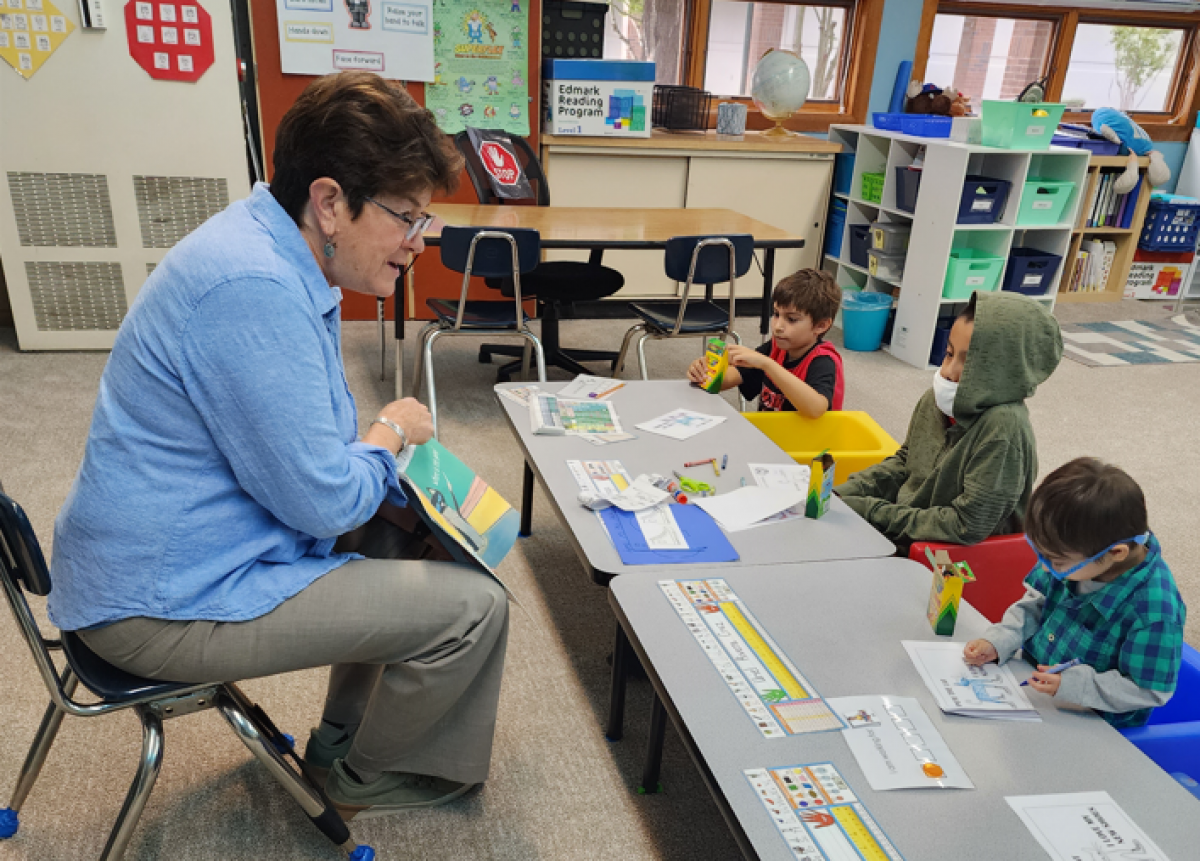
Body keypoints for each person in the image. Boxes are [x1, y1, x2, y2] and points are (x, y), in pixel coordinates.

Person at [48, 72, 510, 819]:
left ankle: (339, 741)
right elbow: (323, 499)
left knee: (401, 535)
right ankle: (366, 775)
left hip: (171, 557)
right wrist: (390, 432)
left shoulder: (267, 245)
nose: (417, 243)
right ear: (330, 202)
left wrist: (376, 470)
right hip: (156, 605)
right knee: (474, 607)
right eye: (406, 218)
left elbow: (312, 453)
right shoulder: (252, 285)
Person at [964, 458, 1185, 728]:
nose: (1046, 568)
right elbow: (1036, 603)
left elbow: (1149, 690)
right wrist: (1002, 639)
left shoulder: (1154, 610)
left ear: (1116, 553)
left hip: (1096, 726)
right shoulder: (1073, 551)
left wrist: (1078, 685)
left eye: (1055, 561)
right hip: (1036, 698)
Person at [835, 291, 1061, 550]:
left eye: (968, 362)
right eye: (949, 354)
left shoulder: (1004, 428)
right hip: (908, 528)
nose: (948, 372)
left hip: (957, 557)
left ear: (1004, 369)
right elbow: (906, 463)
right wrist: (849, 491)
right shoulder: (936, 400)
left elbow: (966, 525)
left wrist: (872, 511)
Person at [687, 269, 843, 417]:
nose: (778, 326)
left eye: (792, 319)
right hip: (772, 438)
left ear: (821, 325)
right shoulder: (775, 348)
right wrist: (705, 373)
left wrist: (767, 364)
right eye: (776, 314)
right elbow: (731, 378)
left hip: (808, 444)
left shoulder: (824, 360)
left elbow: (816, 409)